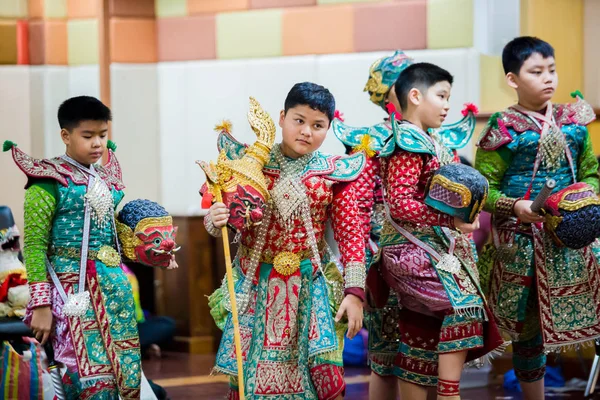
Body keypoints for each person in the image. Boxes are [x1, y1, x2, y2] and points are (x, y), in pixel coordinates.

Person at [204, 83, 367, 399]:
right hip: (255, 283)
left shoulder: (335, 173)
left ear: (328, 128)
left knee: (327, 380)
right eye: (299, 120)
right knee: (246, 380)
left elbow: (351, 235)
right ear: (281, 117)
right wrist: (215, 218)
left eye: (318, 125)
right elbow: (216, 221)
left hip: (314, 284)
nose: (307, 131)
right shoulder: (249, 165)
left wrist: (355, 292)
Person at [4, 96, 164, 398]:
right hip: (69, 291)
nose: (97, 144)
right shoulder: (48, 181)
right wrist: (40, 305)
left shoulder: (108, 180)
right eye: (87, 136)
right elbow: (36, 247)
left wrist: (155, 249)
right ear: (66, 135)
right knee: (89, 381)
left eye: (102, 136)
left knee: (126, 375)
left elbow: (115, 235)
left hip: (113, 287)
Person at [475, 36, 600, 400]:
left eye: (552, 70)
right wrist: (515, 207)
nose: (548, 78)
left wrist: (584, 199)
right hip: (522, 244)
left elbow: (590, 171)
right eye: (536, 72)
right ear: (512, 79)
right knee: (529, 335)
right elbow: (485, 190)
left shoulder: (574, 122)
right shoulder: (504, 129)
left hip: (577, 240)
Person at [376, 63, 504, 400]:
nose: (448, 105)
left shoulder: (425, 139)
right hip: (409, 252)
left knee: (423, 334)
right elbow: (402, 204)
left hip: (428, 249)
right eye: (442, 95)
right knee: (464, 305)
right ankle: (450, 394)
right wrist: (450, 222)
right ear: (415, 96)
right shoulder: (408, 140)